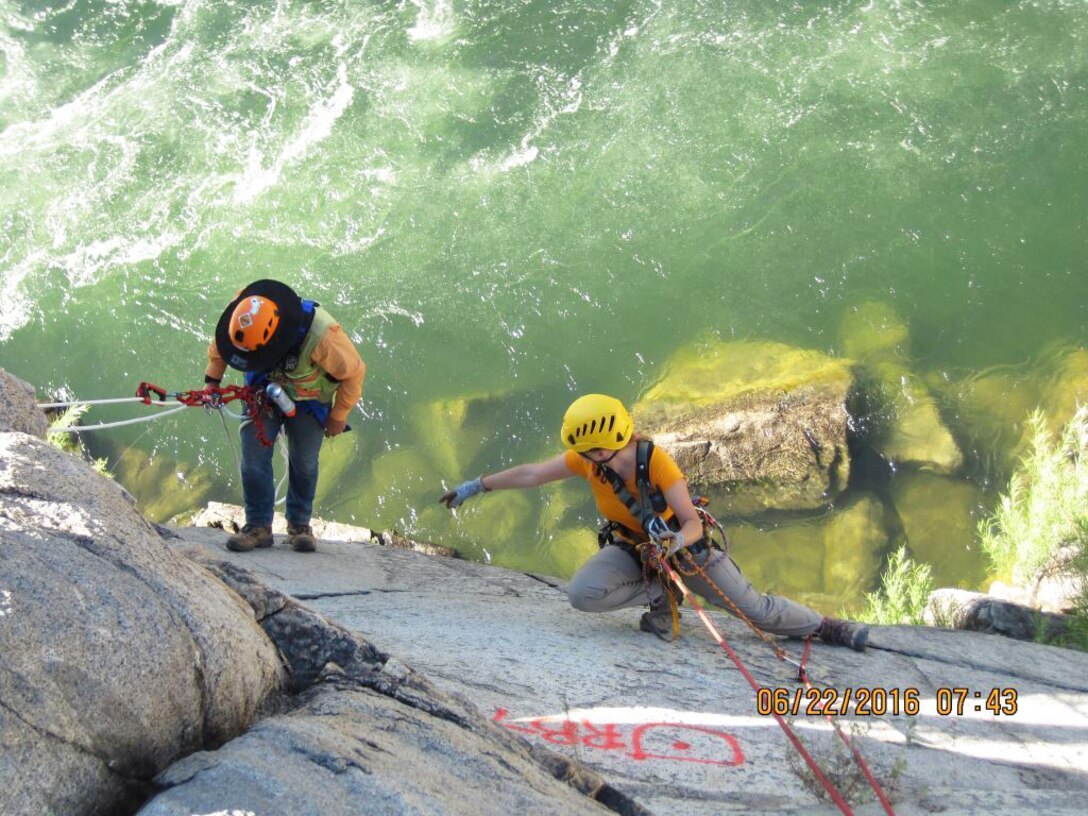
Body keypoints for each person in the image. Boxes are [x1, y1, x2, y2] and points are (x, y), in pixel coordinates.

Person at [439, 393, 868, 650]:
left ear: (605, 447)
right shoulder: (591, 462)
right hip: (633, 549)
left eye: (588, 452)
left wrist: (674, 546)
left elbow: (692, 524)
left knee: (754, 610)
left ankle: (828, 627)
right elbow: (533, 473)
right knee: (583, 594)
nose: (582, 459)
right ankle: (662, 598)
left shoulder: (658, 464)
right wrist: (478, 485)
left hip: (687, 553)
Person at [204, 279, 366, 553]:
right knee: (254, 459)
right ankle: (258, 526)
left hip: (309, 398)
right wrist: (211, 383)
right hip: (261, 390)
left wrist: (338, 416)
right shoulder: (243, 314)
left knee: (304, 462)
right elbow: (223, 347)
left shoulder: (324, 337)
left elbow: (354, 373)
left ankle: (300, 526)